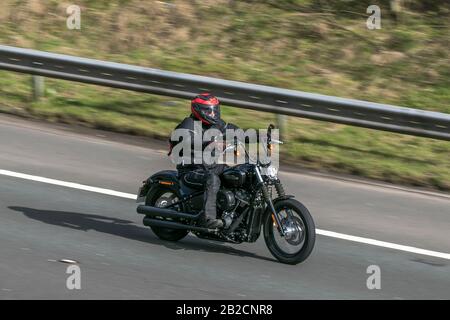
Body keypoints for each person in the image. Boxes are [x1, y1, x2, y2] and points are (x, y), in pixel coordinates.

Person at [168, 93, 239, 229]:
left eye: (214, 110)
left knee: (238, 173)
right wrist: (211, 142)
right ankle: (207, 219)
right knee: (212, 179)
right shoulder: (188, 124)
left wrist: (261, 136)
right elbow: (186, 141)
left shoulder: (217, 124)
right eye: (208, 111)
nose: (212, 114)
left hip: (211, 166)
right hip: (191, 170)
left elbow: (235, 131)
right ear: (198, 110)